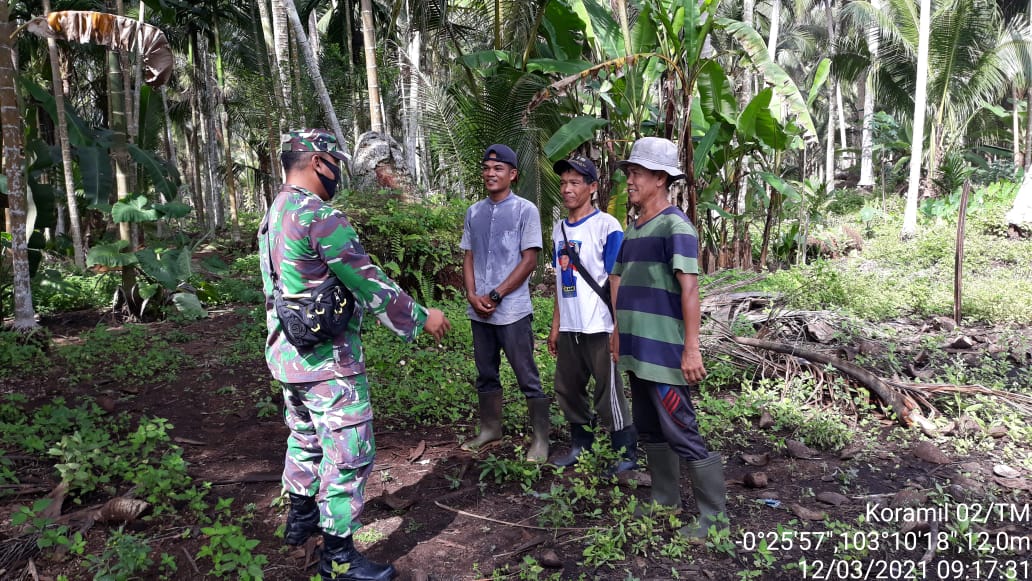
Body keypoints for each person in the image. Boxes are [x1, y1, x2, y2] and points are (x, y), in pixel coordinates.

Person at [259, 129, 450, 581]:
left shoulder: (273, 214)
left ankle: (301, 519)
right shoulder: (318, 215)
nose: (338, 174)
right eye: (335, 164)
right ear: (318, 162)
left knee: (304, 438)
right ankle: (339, 559)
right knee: (348, 454)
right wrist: (423, 317)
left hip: (289, 358)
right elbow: (368, 282)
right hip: (328, 364)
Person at [608, 137, 727, 538]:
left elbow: (690, 290)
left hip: (665, 355)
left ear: (660, 179)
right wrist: (617, 333)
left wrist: (691, 348)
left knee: (681, 428)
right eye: (629, 173)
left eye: (637, 173)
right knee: (649, 428)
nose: (630, 180)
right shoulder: (634, 229)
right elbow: (620, 281)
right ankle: (665, 497)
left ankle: (714, 518)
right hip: (638, 351)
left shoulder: (676, 227)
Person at [546, 155, 637, 473]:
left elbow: (615, 279)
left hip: (599, 324)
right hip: (571, 325)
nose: (567, 189)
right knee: (567, 387)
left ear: (592, 187)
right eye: (563, 183)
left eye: (574, 182)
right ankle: (580, 446)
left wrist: (617, 327)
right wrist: (556, 325)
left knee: (607, 390)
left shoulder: (607, 226)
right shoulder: (558, 230)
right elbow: (561, 279)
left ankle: (625, 452)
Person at [459, 144, 549, 463]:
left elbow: (529, 260)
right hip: (479, 309)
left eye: (498, 169)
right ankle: (490, 429)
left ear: (512, 174)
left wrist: (497, 294)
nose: (490, 173)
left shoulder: (526, 210)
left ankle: (540, 439)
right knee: (485, 372)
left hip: (511, 310)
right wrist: (472, 294)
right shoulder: (474, 212)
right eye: (486, 168)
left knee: (526, 374)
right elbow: (469, 255)